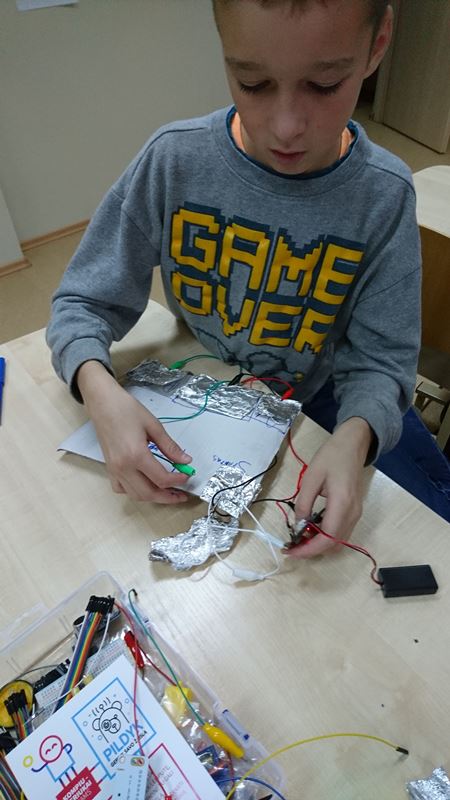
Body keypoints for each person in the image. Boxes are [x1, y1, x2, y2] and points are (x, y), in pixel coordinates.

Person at [46, 0, 450, 563]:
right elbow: (81, 303)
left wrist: (356, 435)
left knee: (427, 524)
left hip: (327, 398)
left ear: (378, 43)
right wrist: (98, 391)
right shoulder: (173, 161)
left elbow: (382, 362)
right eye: (253, 83)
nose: (286, 126)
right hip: (207, 388)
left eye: (324, 84)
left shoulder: (383, 195)